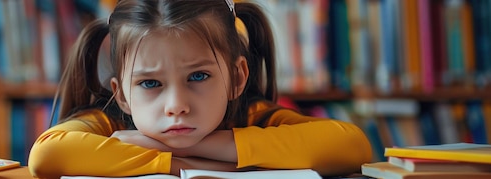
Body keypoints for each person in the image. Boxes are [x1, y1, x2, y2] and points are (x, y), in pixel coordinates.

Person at [28, 0, 372, 178]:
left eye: (198, 77)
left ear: (237, 77)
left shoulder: (250, 115)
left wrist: (216, 146)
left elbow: (352, 145)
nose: (176, 105)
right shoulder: (110, 121)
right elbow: (47, 156)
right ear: (122, 95)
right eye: (150, 83)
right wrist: (184, 165)